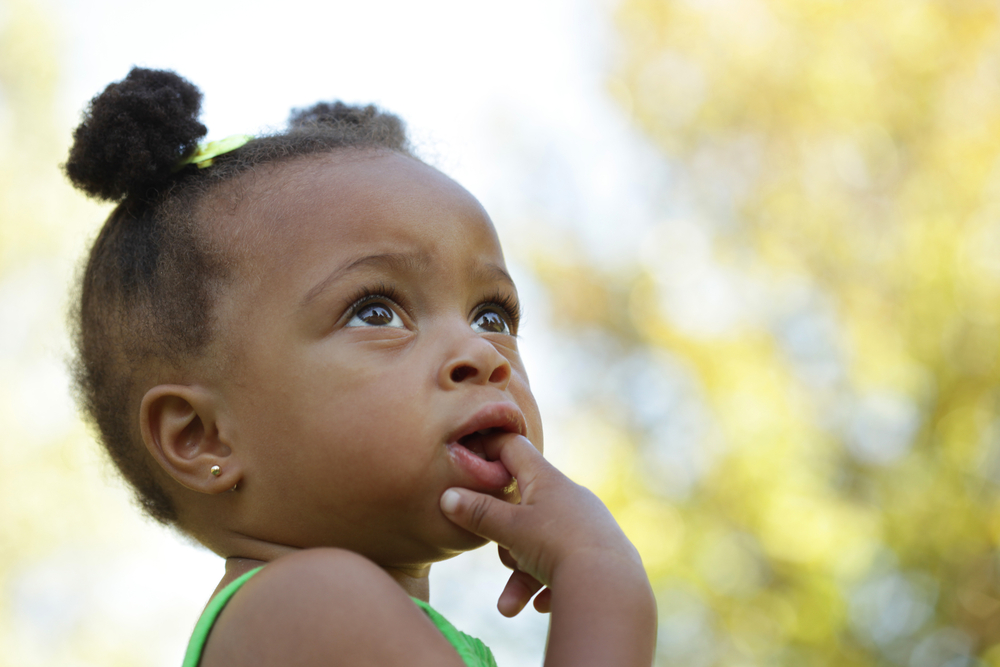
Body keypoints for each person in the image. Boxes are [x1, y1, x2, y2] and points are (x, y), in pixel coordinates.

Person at [64, 67, 656, 667]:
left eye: (492, 316)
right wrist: (601, 576)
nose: (481, 355)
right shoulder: (306, 607)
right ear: (201, 436)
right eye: (376, 312)